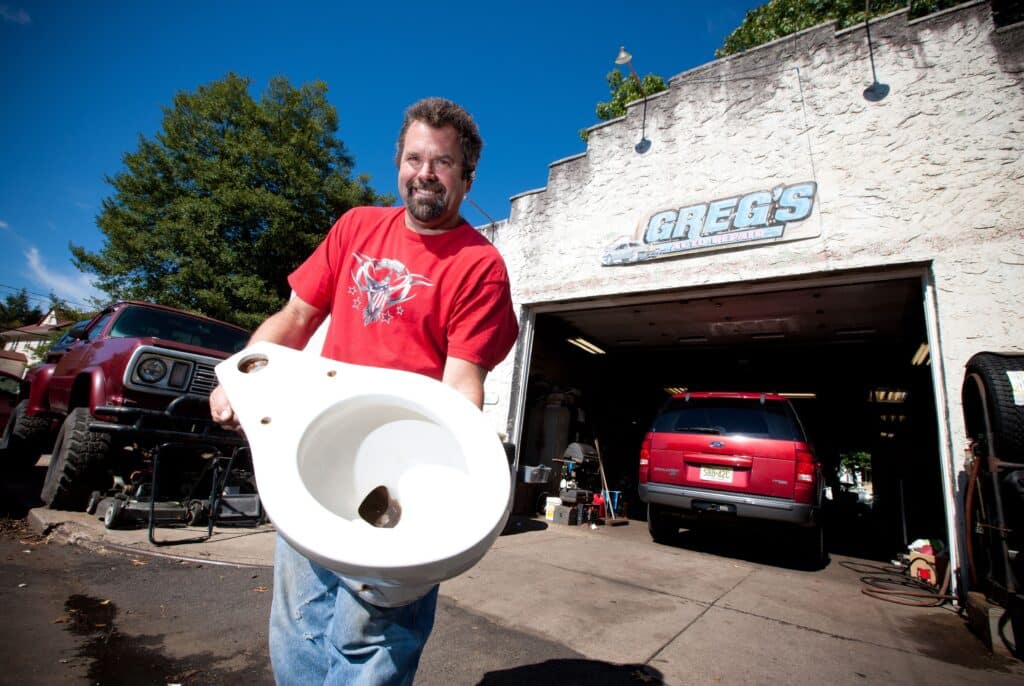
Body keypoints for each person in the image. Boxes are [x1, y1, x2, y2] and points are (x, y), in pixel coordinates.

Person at [210, 97, 518, 685]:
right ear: (398, 163)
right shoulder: (356, 226)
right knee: (299, 624)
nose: (426, 173)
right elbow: (295, 318)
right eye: (415, 158)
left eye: (443, 162)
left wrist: (449, 496)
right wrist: (239, 378)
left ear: (467, 177)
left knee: (372, 640)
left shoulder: (480, 266)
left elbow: (462, 381)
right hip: (316, 450)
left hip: (407, 468)